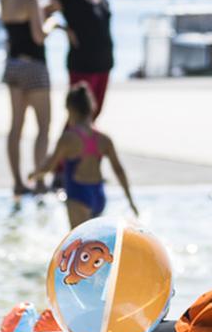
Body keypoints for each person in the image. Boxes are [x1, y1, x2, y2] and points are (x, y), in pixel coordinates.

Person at [29, 83, 137, 228]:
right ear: (91, 108)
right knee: (94, 245)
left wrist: (34, 175)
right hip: (99, 196)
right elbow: (119, 171)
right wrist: (130, 201)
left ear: (70, 110)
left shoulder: (69, 138)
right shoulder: (104, 139)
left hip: (78, 196)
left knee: (79, 245)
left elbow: (49, 166)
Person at [0, 0, 62, 196]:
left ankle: (17, 181)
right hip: (34, 66)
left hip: (13, 64)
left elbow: (17, 29)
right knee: (43, 126)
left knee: (16, 126)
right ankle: (39, 180)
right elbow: (38, 36)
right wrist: (53, 23)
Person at [51, 0, 114, 118]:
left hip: (104, 62)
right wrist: (63, 28)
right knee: (79, 114)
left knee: (95, 113)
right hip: (82, 64)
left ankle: (87, 145)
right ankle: (66, 144)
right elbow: (42, 14)